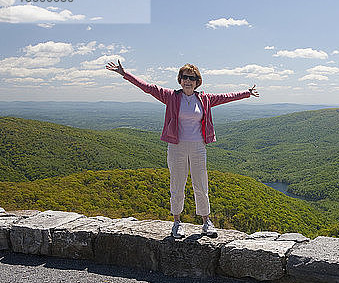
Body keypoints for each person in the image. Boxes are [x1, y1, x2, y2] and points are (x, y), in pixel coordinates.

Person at [106, 60, 259, 239]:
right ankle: (177, 222)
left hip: (198, 147)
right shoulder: (171, 96)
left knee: (201, 184)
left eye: (192, 78)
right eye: (185, 77)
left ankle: (206, 222)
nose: (188, 81)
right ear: (180, 80)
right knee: (177, 185)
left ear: (197, 81)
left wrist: (246, 93)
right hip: (176, 146)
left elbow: (225, 97)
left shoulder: (205, 99)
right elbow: (148, 87)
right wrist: (125, 74)